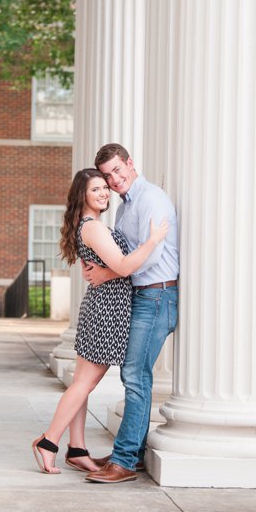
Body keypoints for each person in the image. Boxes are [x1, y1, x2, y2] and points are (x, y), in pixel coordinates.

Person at [31, 169, 168, 474]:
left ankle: (77, 448)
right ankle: (48, 442)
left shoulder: (90, 225)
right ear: (82, 195)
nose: (105, 193)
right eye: (96, 189)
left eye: (105, 188)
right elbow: (124, 265)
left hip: (103, 306)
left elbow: (113, 267)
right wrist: (153, 241)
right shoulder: (92, 228)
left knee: (82, 384)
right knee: (83, 384)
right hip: (106, 310)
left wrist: (108, 272)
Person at [83, 143, 180, 484]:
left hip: (157, 296)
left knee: (136, 376)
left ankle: (124, 460)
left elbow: (149, 256)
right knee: (133, 375)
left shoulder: (151, 198)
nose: (114, 179)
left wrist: (109, 272)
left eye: (117, 171)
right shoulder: (125, 208)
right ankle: (132, 452)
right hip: (141, 296)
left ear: (130, 163)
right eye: (108, 176)